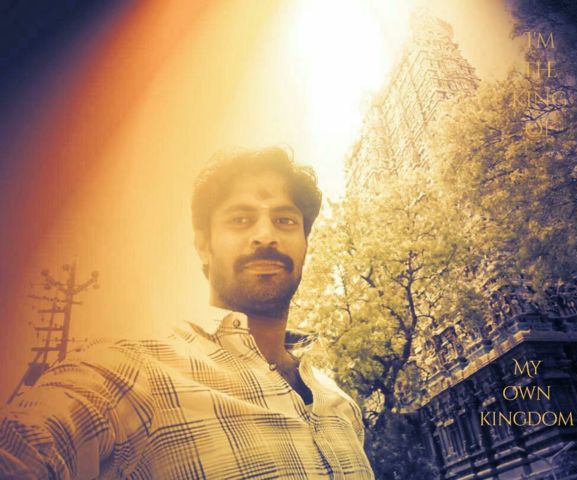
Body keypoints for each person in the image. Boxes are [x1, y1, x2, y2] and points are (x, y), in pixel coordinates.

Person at [0, 146, 374, 479]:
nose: (265, 235)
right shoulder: (134, 369)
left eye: (285, 220)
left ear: (304, 244)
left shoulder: (340, 406)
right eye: (240, 219)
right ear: (203, 246)